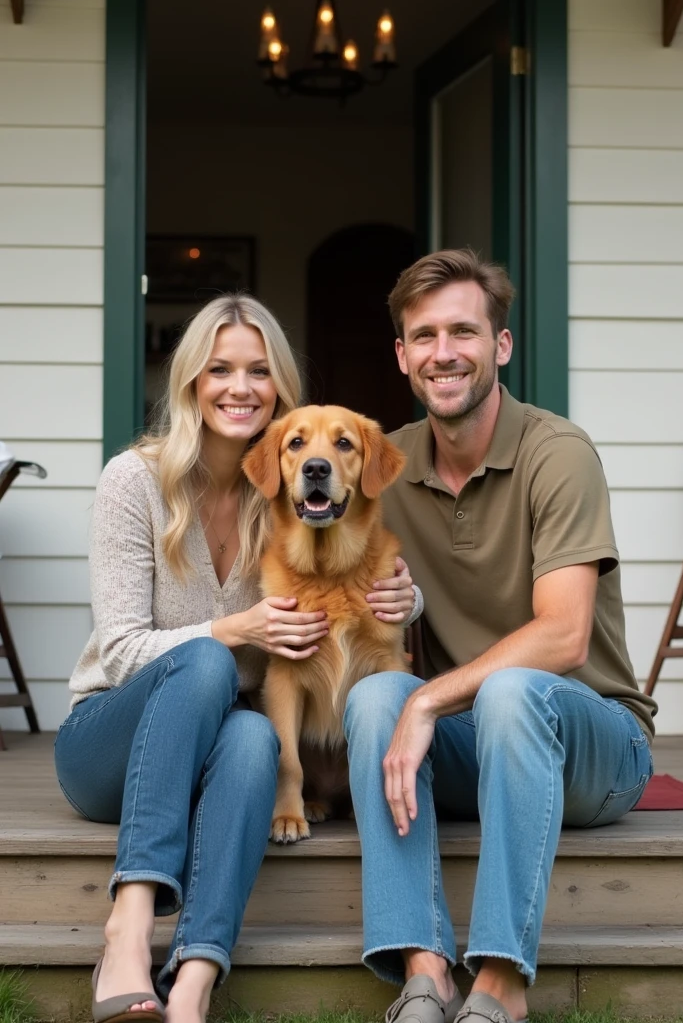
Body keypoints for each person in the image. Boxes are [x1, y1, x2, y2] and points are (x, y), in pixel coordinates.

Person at [54, 294, 418, 1023]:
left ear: (278, 387)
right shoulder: (134, 482)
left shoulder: (288, 495)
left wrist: (410, 598)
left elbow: (356, 582)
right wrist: (237, 630)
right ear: (192, 380)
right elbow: (123, 651)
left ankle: (193, 979)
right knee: (211, 665)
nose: (239, 386)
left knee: (253, 732)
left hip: (220, 744)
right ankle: (128, 927)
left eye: (258, 370)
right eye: (219, 369)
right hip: (111, 745)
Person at [343, 250, 658, 1023]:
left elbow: (564, 636)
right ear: (402, 356)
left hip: (595, 744)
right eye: (424, 336)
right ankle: (424, 968)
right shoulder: (381, 464)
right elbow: (341, 584)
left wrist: (430, 705)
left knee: (510, 690)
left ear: (501, 346)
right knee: (378, 694)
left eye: (463, 331)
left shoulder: (558, 453)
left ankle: (501, 980)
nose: (443, 352)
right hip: (471, 745)